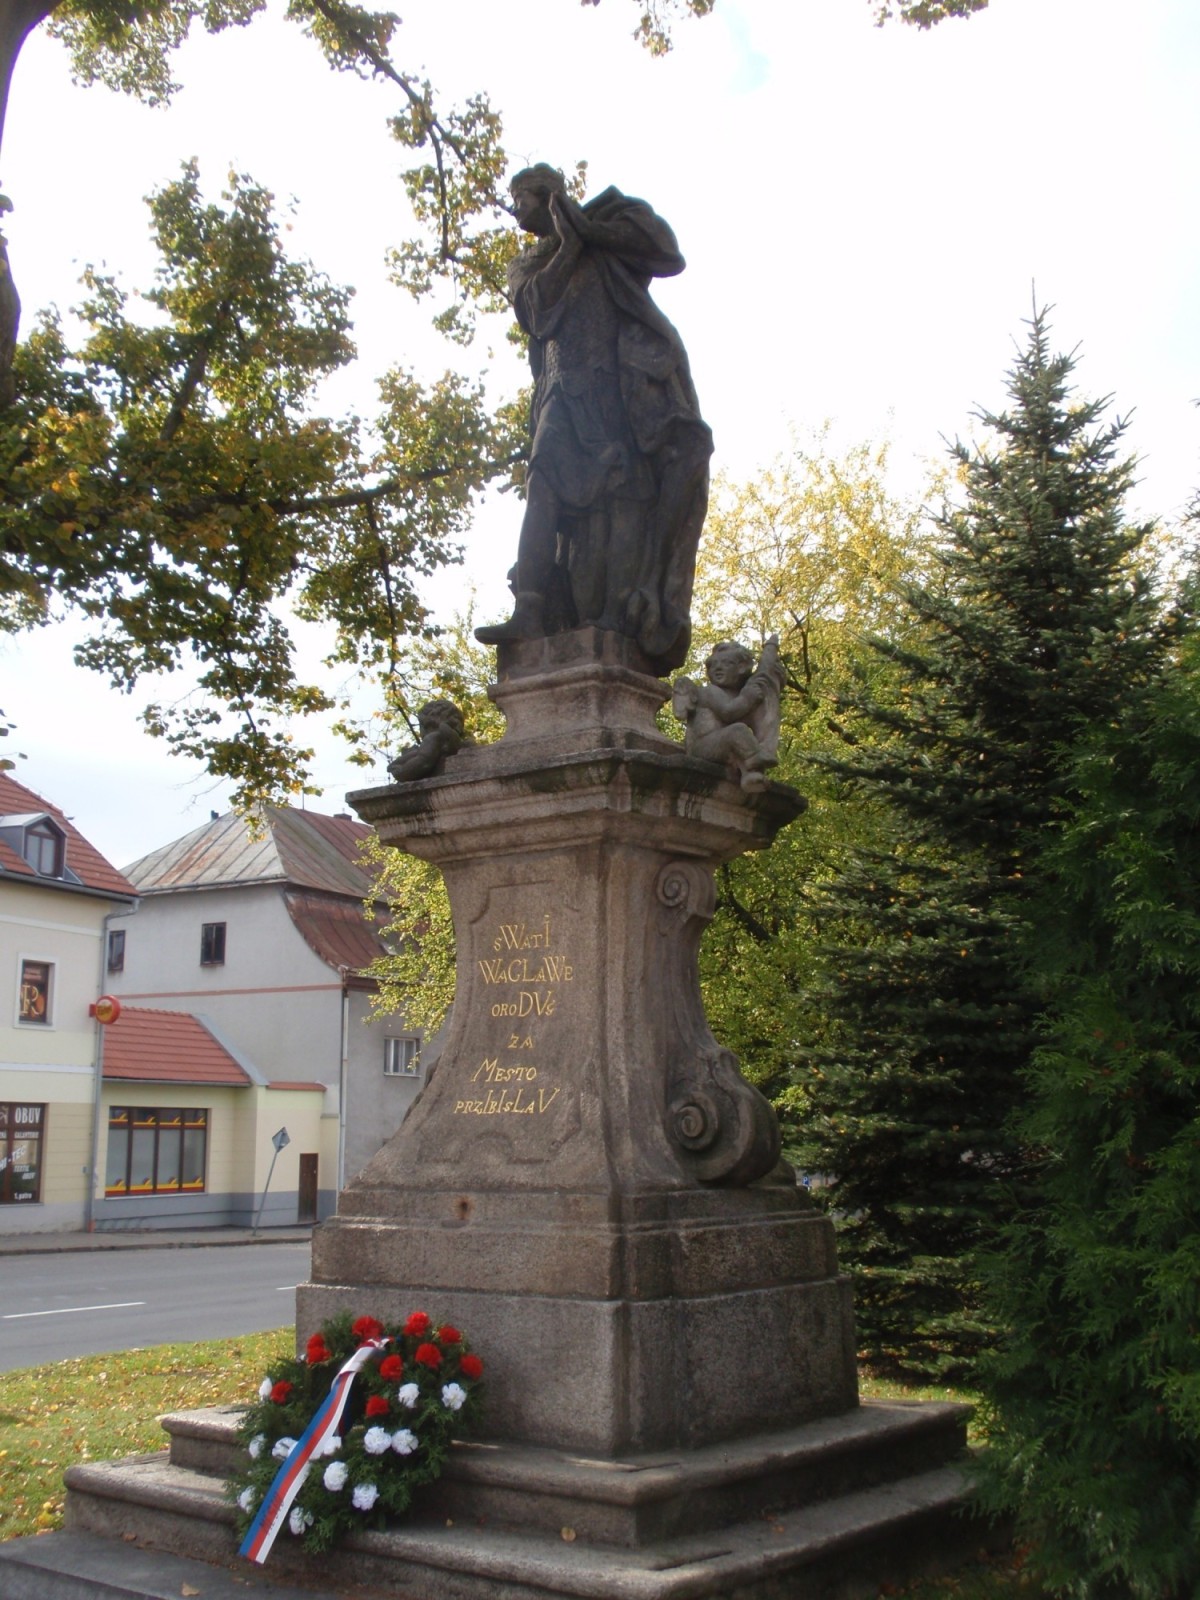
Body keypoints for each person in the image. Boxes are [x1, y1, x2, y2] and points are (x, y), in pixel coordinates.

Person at [476, 164, 712, 672]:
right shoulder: (529, 262)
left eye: (519, 197)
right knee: (542, 483)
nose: (514, 210)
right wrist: (570, 244)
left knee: (625, 496)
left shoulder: (611, 220)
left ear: (546, 194)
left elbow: (666, 253)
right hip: (561, 389)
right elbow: (537, 312)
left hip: (621, 388)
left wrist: (589, 229)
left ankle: (616, 616)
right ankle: (529, 609)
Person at [672, 637, 783, 791]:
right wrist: (747, 698)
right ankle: (754, 760)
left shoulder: (738, 693)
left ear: (742, 668)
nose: (718, 668)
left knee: (738, 734)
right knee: (737, 731)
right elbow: (728, 712)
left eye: (726, 663)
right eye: (714, 665)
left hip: (721, 745)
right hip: (701, 746)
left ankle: (750, 774)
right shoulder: (710, 691)